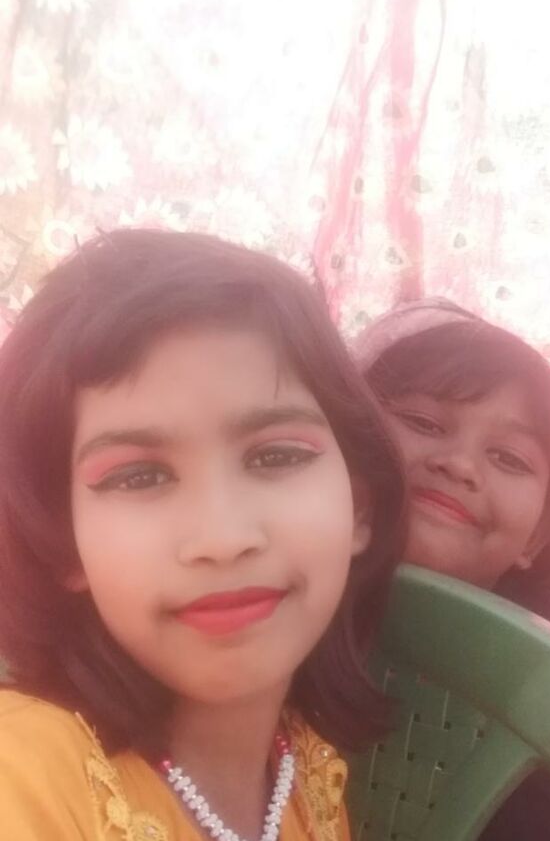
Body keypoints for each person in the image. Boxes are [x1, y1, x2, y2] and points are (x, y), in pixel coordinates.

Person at [0, 229, 406, 840]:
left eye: (276, 456)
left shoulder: (306, 769)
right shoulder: (24, 778)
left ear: (360, 508)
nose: (222, 537)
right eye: (139, 476)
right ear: (60, 540)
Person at [357, 297, 550, 841]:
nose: (459, 464)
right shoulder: (266, 604)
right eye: (422, 421)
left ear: (538, 535)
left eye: (509, 458)